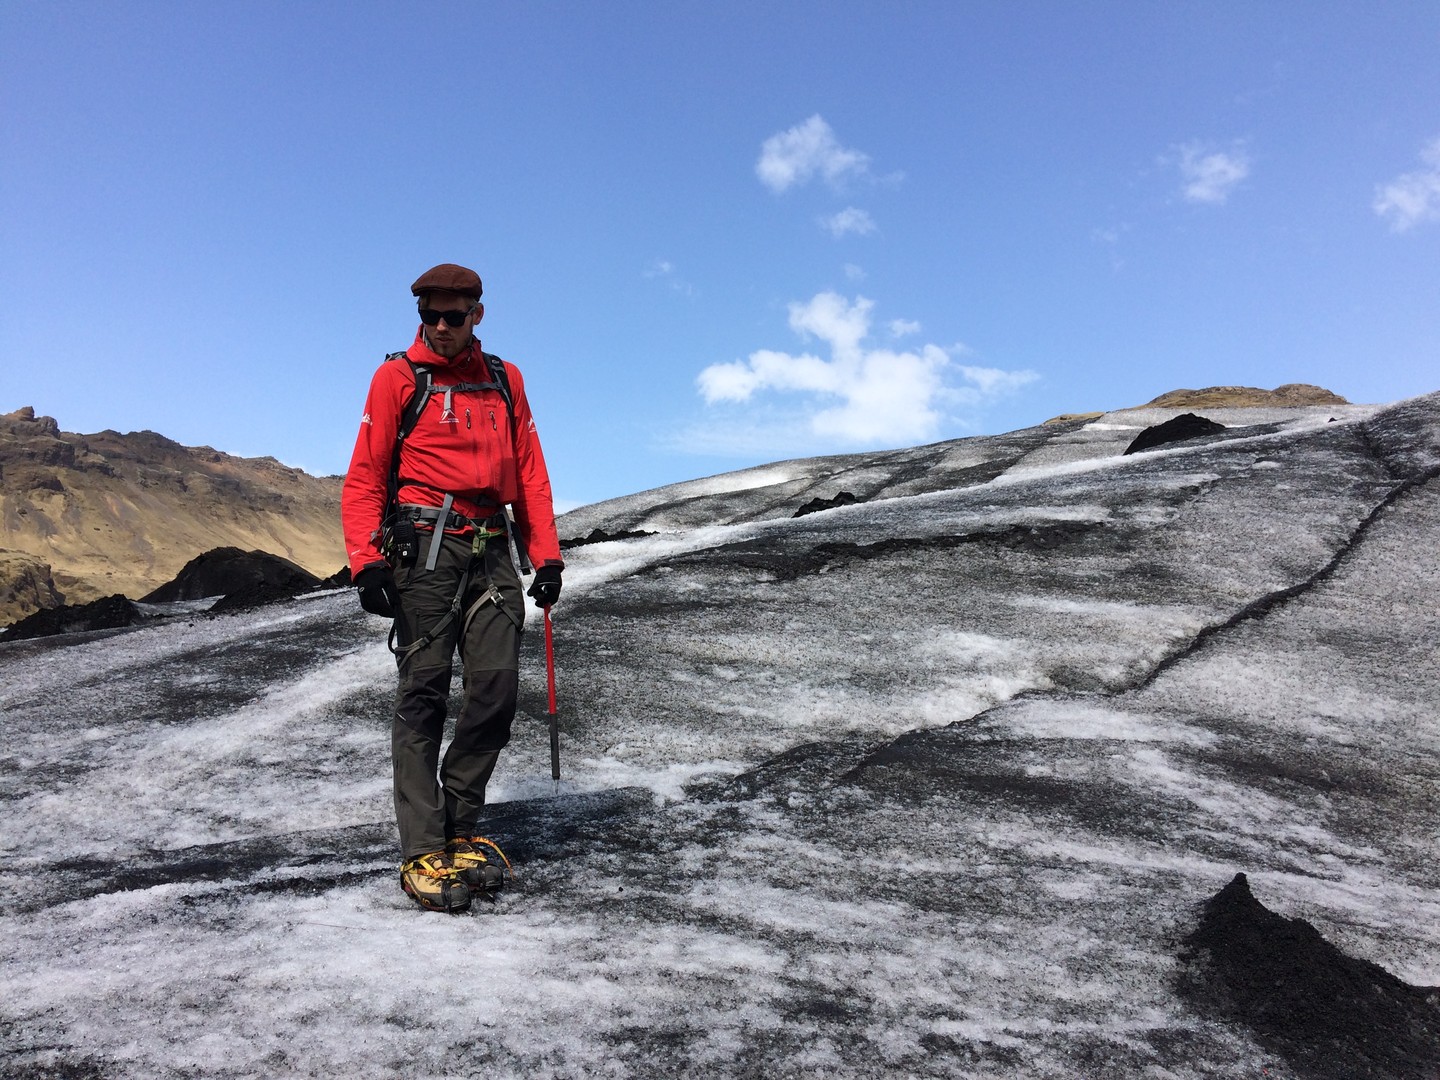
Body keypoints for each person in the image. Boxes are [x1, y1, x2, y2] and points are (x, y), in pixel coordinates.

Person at [341, 263, 563, 913]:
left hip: (492, 547)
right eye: (430, 316)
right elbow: (363, 475)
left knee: (494, 689)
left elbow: (530, 470)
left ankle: (460, 829)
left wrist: (544, 555)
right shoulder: (396, 379)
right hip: (424, 549)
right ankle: (422, 850)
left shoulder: (504, 379)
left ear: (478, 315)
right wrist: (366, 563)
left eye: (453, 316)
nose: (440, 328)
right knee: (424, 693)